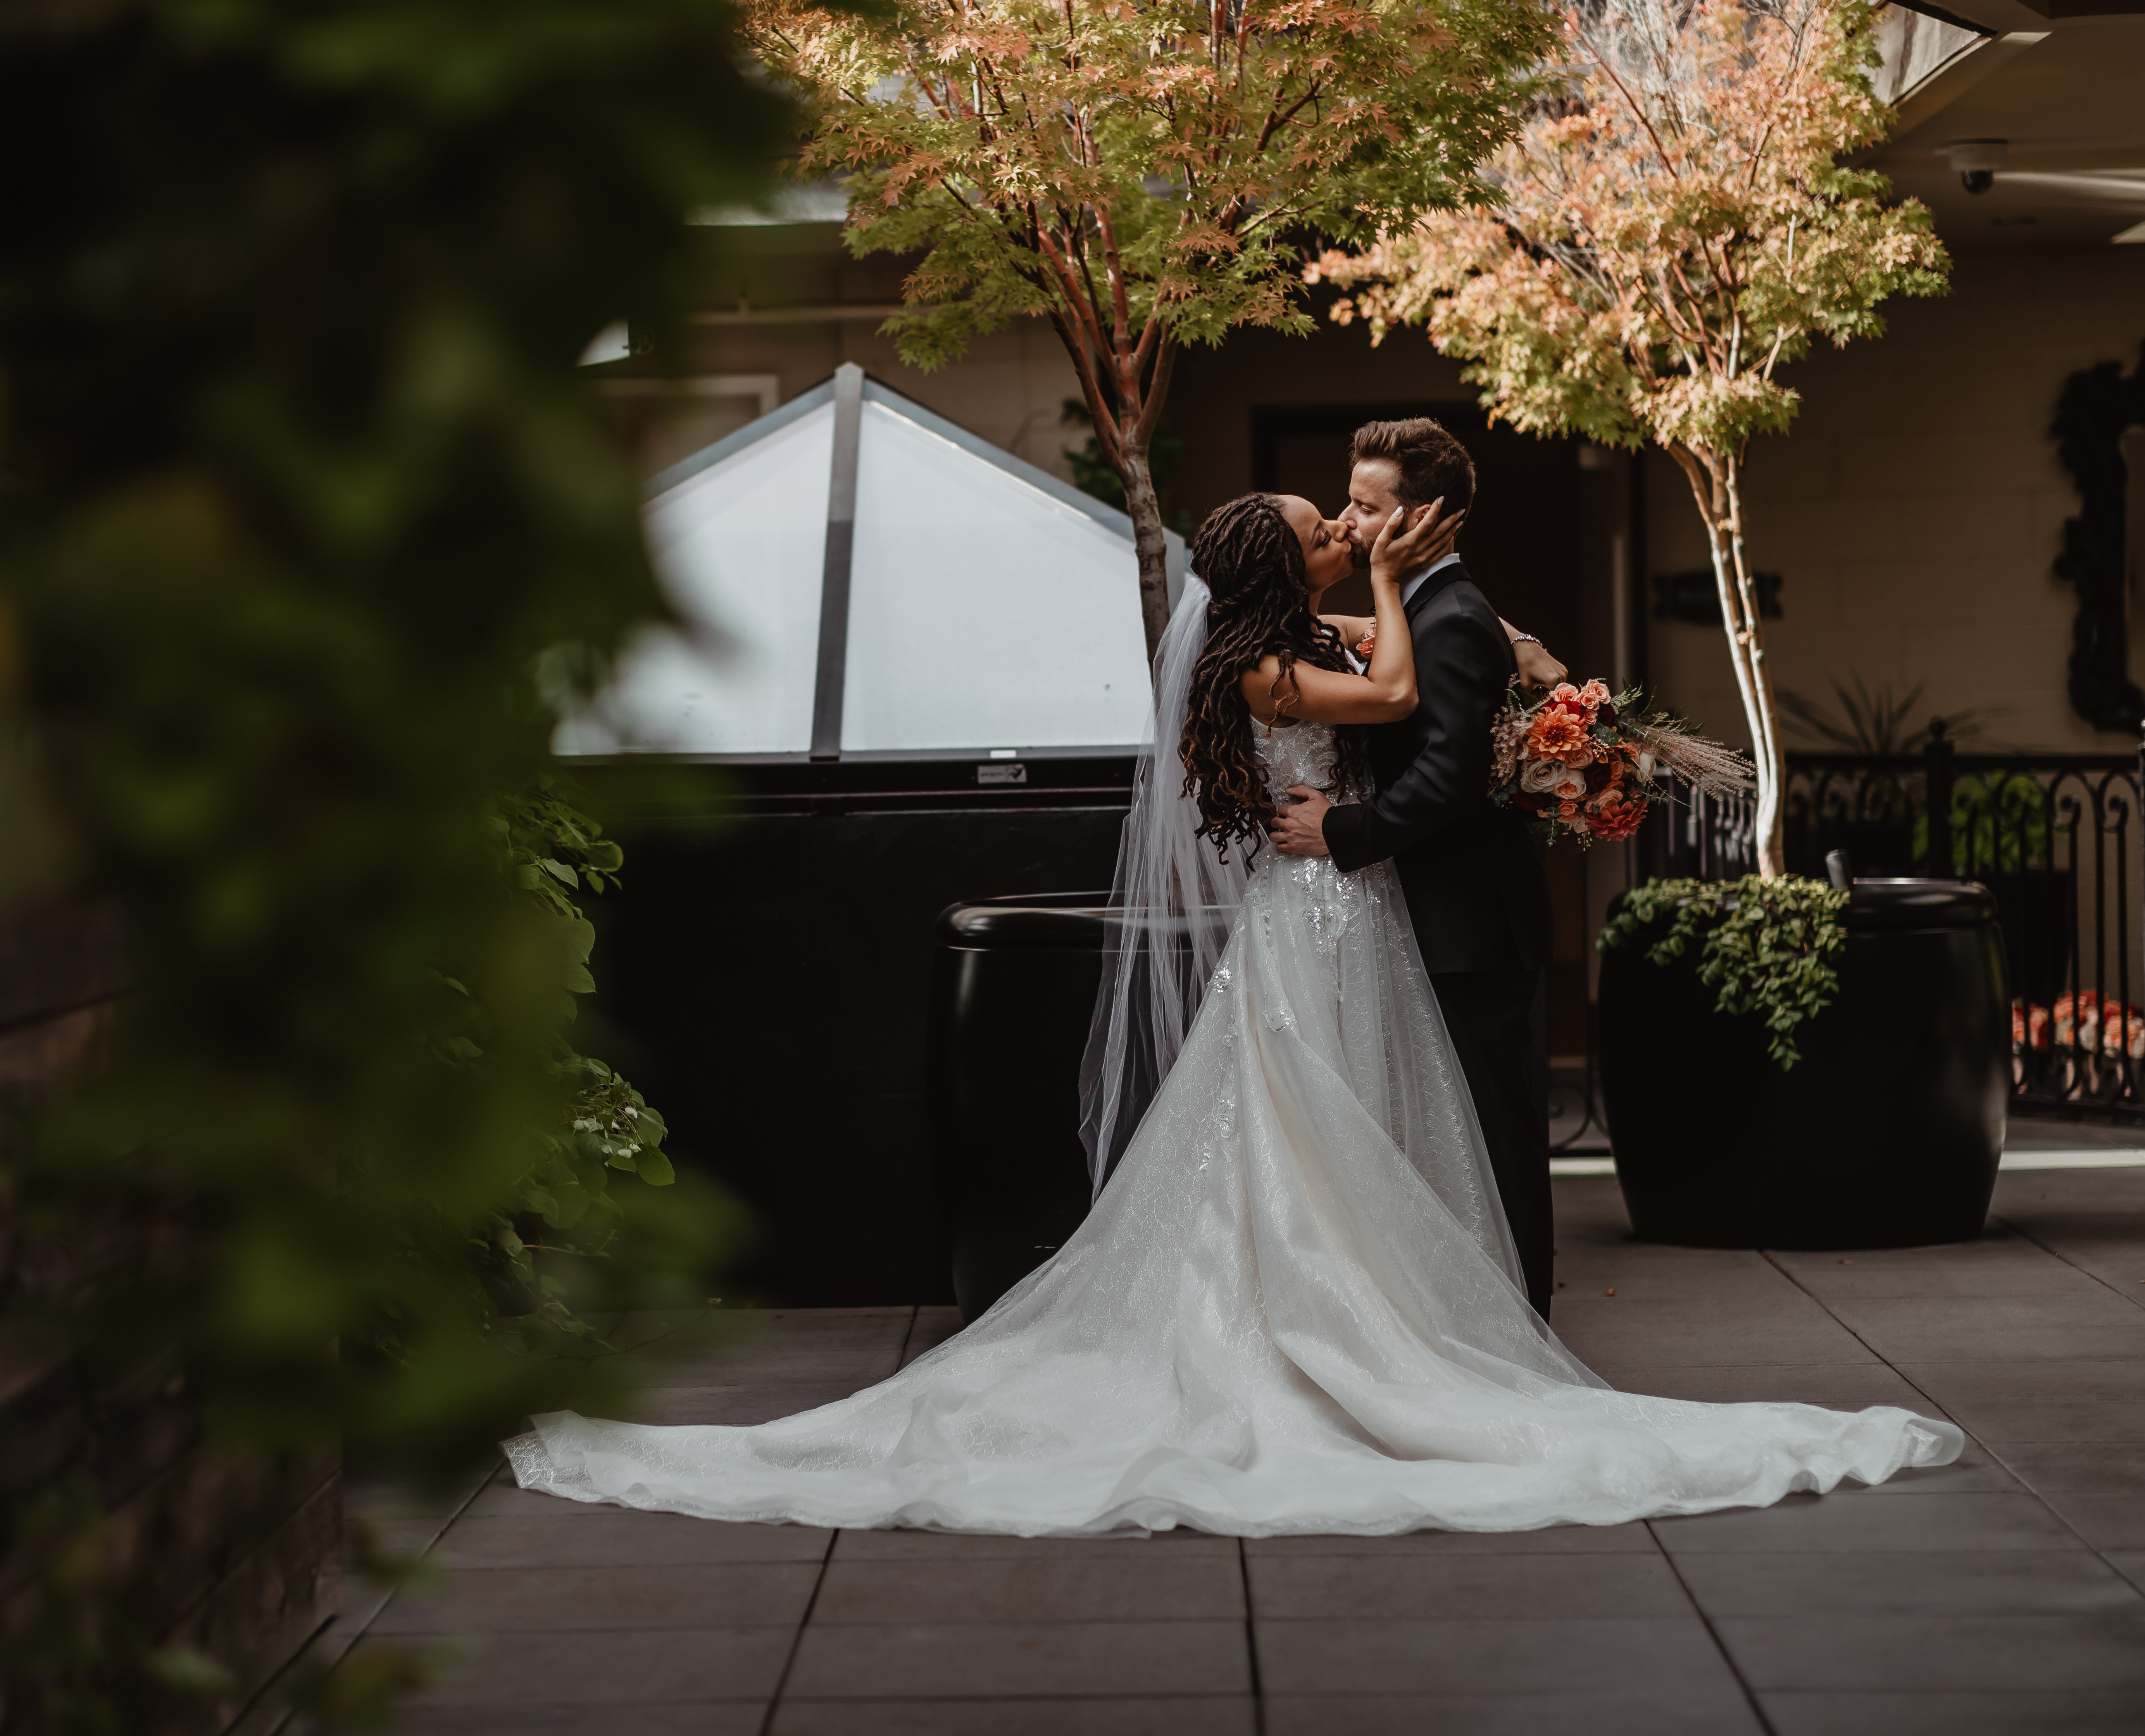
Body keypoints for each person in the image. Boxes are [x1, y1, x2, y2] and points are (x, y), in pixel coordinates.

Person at [501, 490, 1959, 1539]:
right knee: (1303, 1109)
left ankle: (1348, 1300)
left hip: (1326, 908)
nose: (1343, 524)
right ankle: (1323, 1329)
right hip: (1315, 916)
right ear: (1284, 568)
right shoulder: (1268, 660)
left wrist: (1489, 638)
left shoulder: (1270, 637)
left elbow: (1406, 667)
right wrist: (1403, 581)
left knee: (1325, 1110)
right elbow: (1386, 692)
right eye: (1322, 525)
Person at [1272, 419, 1562, 1317]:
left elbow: (1449, 777)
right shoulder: (1425, 610)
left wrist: (1345, 831)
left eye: (1366, 507)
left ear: (1422, 517)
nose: (1349, 522)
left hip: (1468, 926)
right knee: (1453, 1138)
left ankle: (1527, 1328)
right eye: (1349, 503)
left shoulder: (1453, 620)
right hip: (1432, 919)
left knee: (1497, 1137)